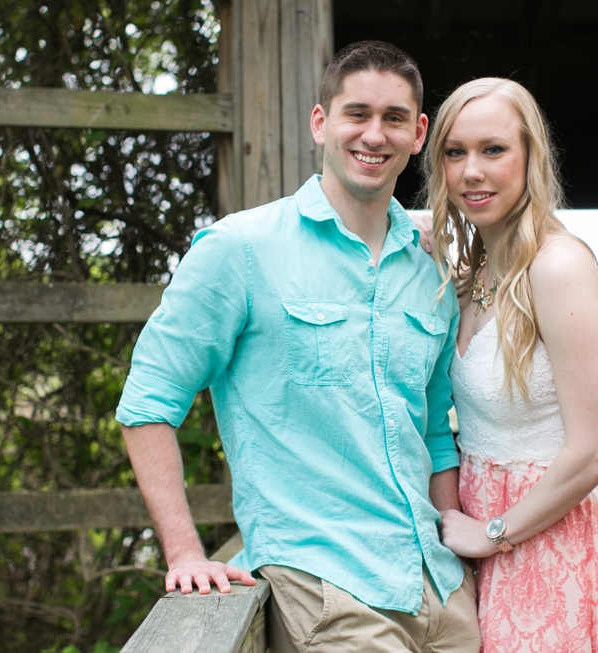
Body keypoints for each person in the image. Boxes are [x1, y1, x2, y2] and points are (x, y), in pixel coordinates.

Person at [116, 41, 480, 653]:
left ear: (418, 134)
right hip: (327, 588)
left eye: (394, 118)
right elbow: (148, 403)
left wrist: (457, 546)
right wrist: (183, 552)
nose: (374, 134)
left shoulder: (429, 272)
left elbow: (436, 434)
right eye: (356, 113)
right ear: (320, 123)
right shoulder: (241, 249)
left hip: (441, 592)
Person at [422, 77, 598, 652]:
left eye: (493, 150)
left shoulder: (558, 266)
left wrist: (493, 533)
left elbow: (596, 450)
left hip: (548, 546)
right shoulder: (471, 275)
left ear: (529, 157)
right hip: (482, 547)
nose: (473, 171)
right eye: (455, 152)